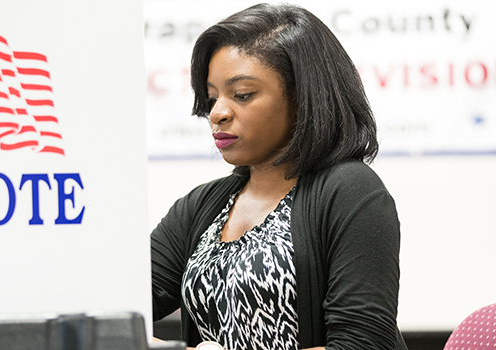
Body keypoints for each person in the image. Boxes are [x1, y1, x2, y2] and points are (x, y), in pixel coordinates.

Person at [151, 3, 406, 350]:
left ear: (304, 97)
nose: (217, 113)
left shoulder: (350, 191)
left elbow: (363, 344)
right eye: (212, 97)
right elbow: (120, 302)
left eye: (242, 95)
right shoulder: (201, 206)